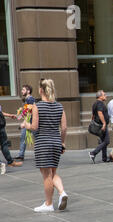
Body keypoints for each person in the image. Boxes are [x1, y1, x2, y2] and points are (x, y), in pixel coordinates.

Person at [21, 79, 68, 213]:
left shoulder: (38, 106)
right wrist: (62, 143)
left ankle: (48, 204)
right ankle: (62, 192)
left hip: (43, 143)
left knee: (47, 175)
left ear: (41, 90)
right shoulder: (59, 106)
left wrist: (26, 124)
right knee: (53, 172)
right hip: (56, 143)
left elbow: (34, 127)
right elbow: (64, 128)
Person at [15, 85, 36, 161]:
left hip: (32, 123)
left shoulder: (30, 100)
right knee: (23, 138)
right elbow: (25, 111)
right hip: (28, 122)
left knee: (37, 138)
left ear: (28, 91)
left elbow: (29, 113)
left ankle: (41, 154)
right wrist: (18, 116)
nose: (21, 91)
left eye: (23, 90)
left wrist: (23, 123)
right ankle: (21, 155)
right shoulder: (27, 100)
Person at [89, 90, 110, 164]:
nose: (106, 96)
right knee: (106, 141)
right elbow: (100, 113)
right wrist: (104, 123)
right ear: (100, 96)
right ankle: (93, 153)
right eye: (104, 94)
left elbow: (93, 115)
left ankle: (104, 158)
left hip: (99, 125)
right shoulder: (100, 103)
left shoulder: (95, 103)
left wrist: (93, 122)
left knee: (103, 141)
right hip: (102, 125)